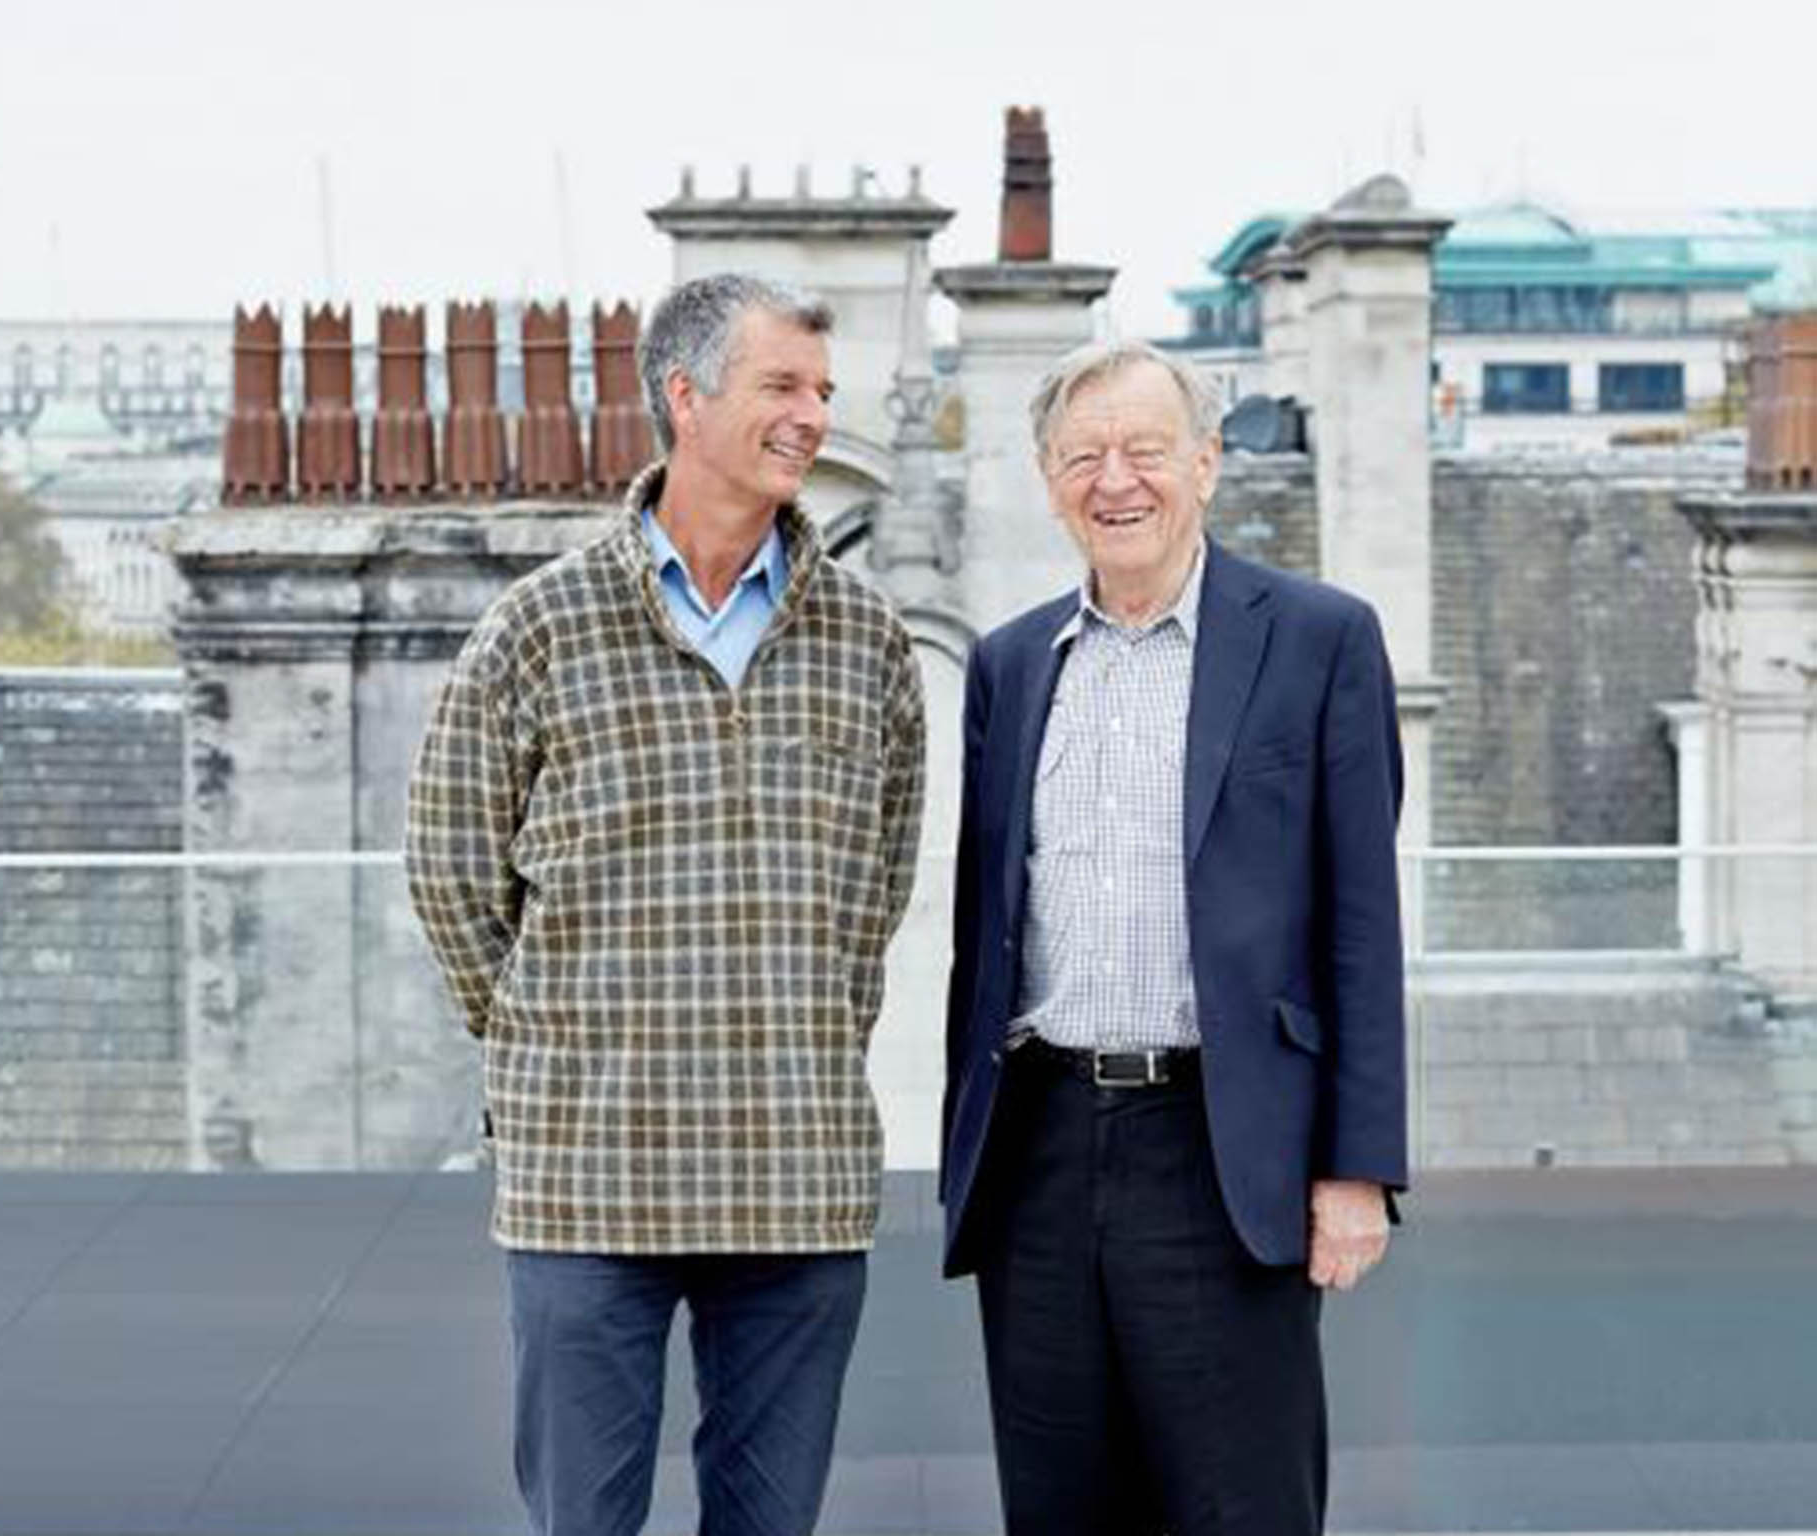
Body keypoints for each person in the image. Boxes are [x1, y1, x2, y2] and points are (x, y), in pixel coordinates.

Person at [406, 272, 926, 1536]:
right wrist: (550, 1043)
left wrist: (793, 1040)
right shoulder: (537, 627)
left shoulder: (869, 641)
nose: (814, 416)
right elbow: (450, 871)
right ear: (685, 400)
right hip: (588, 1178)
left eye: (823, 390)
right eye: (783, 387)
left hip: (797, 1177)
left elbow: (874, 901)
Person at [940, 339, 1406, 1535]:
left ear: (1205, 463)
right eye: (1082, 456)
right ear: (1048, 478)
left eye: (1145, 450)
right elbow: (982, 934)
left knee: (1241, 1505)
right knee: (1060, 1508)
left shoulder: (1317, 638)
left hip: (1220, 1144)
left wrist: (1356, 1168)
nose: (1116, 481)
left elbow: (1360, 922)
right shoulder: (1007, 666)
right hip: (1037, 1150)